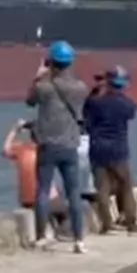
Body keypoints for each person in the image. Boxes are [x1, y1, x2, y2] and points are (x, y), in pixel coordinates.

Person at [26, 40, 90, 252]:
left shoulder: (43, 87)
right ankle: (79, 240)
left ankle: (41, 237)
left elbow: (29, 100)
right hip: (70, 145)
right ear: (70, 63)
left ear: (51, 62)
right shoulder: (81, 88)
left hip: (47, 145)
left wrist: (39, 74)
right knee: (73, 193)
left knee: (43, 191)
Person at [84, 65, 137, 234]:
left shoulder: (96, 103)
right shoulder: (128, 104)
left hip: (98, 148)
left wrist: (94, 91)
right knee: (126, 186)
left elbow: (86, 112)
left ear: (108, 82)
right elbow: (130, 114)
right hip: (119, 150)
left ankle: (106, 224)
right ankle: (130, 222)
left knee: (102, 188)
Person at [1, 119, 70, 234]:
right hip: (46, 199)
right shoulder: (49, 150)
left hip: (26, 200)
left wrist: (15, 130)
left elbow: (5, 150)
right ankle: (62, 232)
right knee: (67, 207)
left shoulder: (21, 149)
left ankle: (47, 229)